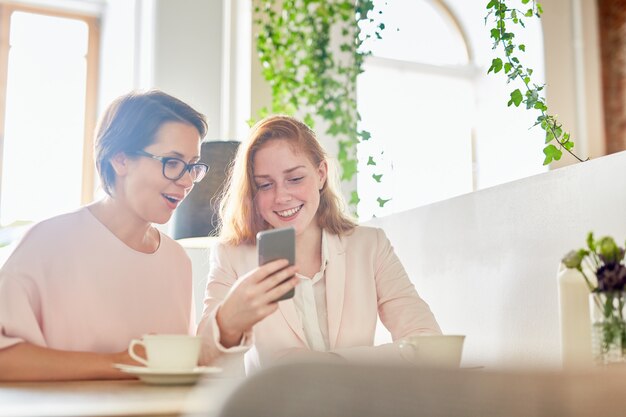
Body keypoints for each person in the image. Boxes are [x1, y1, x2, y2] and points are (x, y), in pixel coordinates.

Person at [197, 115, 440, 373]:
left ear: (321, 174)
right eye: (265, 185)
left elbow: (430, 345)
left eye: (295, 179)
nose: (281, 197)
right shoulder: (232, 256)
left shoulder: (370, 246)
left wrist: (330, 364)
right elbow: (202, 357)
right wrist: (229, 319)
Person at [0, 90, 208, 381]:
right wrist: (120, 363)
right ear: (120, 160)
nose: (186, 181)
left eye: (192, 166)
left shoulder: (177, 260)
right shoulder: (47, 243)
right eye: (172, 163)